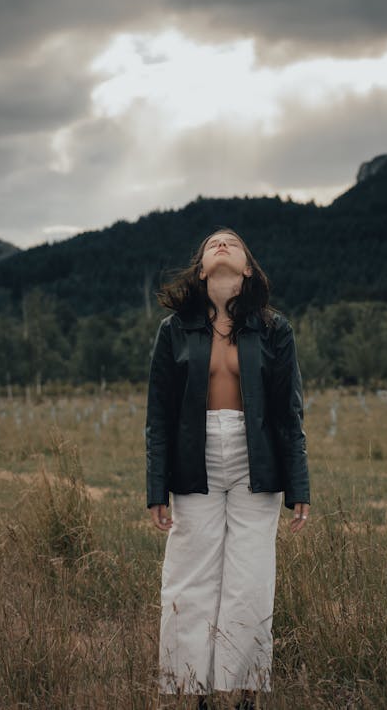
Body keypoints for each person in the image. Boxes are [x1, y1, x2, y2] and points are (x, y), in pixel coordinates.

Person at [146, 227, 310, 710]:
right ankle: (191, 688)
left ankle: (243, 692)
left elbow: (288, 412)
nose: (221, 244)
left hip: (254, 460)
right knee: (189, 575)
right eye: (212, 243)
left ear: (248, 269)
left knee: (250, 575)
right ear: (201, 270)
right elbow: (157, 415)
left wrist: (298, 483)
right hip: (192, 459)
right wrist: (156, 486)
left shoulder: (274, 328)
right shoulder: (173, 330)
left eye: (232, 242)